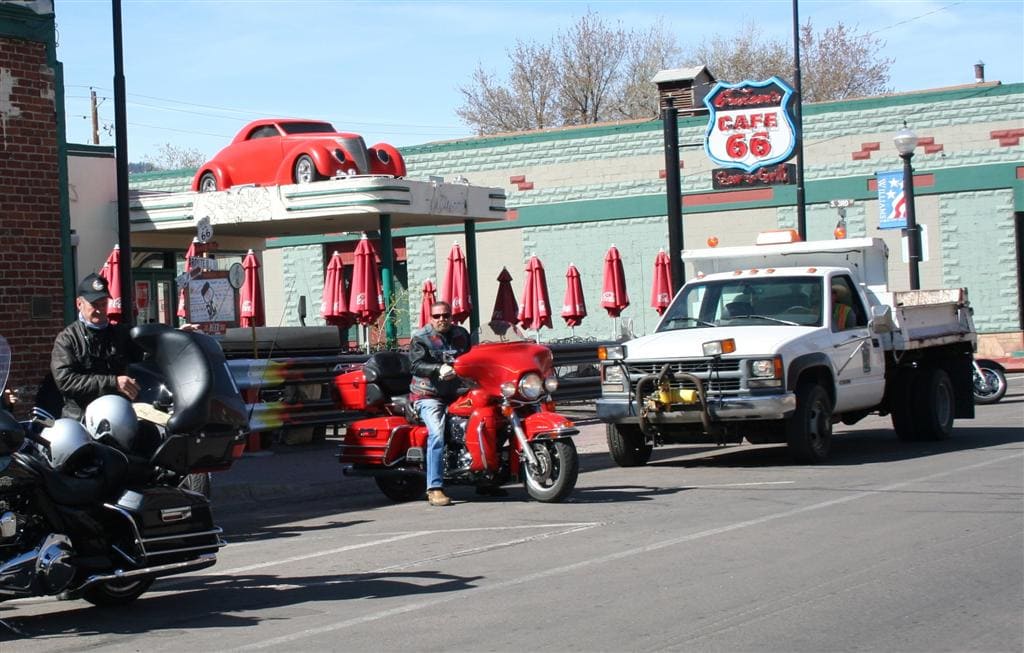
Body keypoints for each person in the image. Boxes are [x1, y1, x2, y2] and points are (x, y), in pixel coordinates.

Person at [51, 273, 140, 420]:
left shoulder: (121, 333)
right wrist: (113, 383)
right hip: (82, 419)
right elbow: (66, 381)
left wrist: (175, 334)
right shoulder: (67, 338)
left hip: (118, 416)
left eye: (103, 303)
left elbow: (146, 350)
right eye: (94, 305)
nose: (100, 310)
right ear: (79, 304)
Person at [408, 300, 472, 507]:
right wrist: (438, 368)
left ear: (451, 316)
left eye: (445, 315)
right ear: (430, 317)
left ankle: (486, 478)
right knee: (436, 433)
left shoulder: (461, 335)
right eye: (437, 316)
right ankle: (434, 487)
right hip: (428, 395)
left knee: (485, 422)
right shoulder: (421, 338)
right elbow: (416, 365)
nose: (442, 319)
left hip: (457, 392)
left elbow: (473, 358)